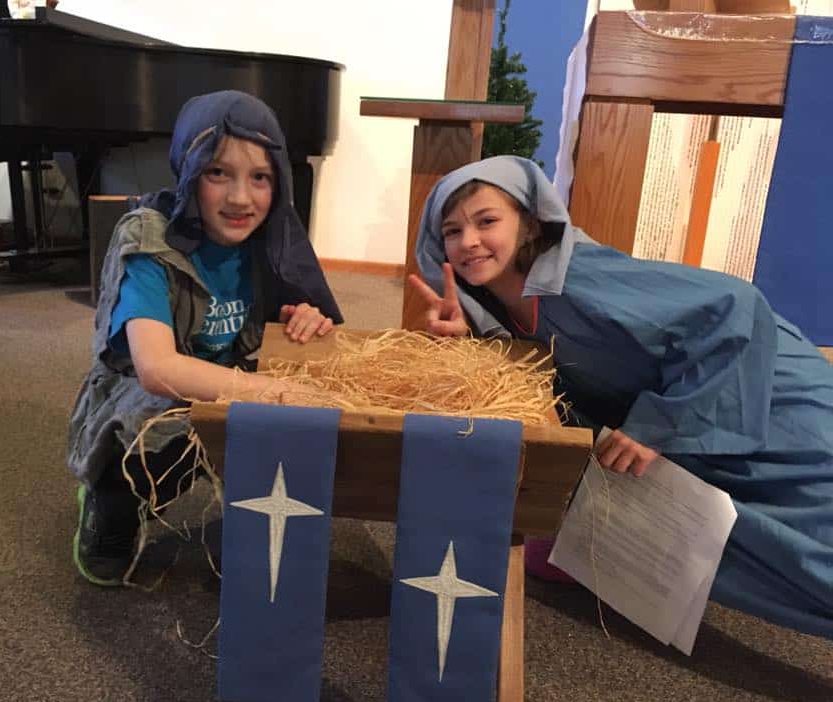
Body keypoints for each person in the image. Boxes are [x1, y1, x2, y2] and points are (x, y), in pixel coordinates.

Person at [409, 155, 833, 639]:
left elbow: (736, 307)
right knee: (757, 548)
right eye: (452, 230)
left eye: (487, 221)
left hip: (758, 390)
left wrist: (655, 427)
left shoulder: (579, 277)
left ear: (528, 223)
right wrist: (466, 348)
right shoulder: (495, 308)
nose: (469, 241)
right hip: (684, 412)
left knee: (815, 535)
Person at [67, 90, 343, 587]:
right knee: (166, 431)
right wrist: (269, 393)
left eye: (259, 177)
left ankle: (251, 513)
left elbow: (297, 315)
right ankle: (112, 498)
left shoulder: (269, 238)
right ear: (189, 171)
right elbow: (157, 369)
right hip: (141, 401)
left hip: (221, 374)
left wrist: (305, 318)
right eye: (219, 173)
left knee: (294, 393)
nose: (241, 198)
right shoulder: (149, 240)